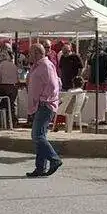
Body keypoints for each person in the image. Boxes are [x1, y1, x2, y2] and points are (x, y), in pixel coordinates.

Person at [26, 42, 62, 177]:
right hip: (39, 105)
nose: (28, 55)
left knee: (37, 135)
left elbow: (53, 85)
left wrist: (43, 99)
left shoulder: (46, 65)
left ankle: (54, 159)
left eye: (30, 53)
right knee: (40, 136)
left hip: (45, 105)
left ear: (37, 53)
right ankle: (40, 168)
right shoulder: (37, 66)